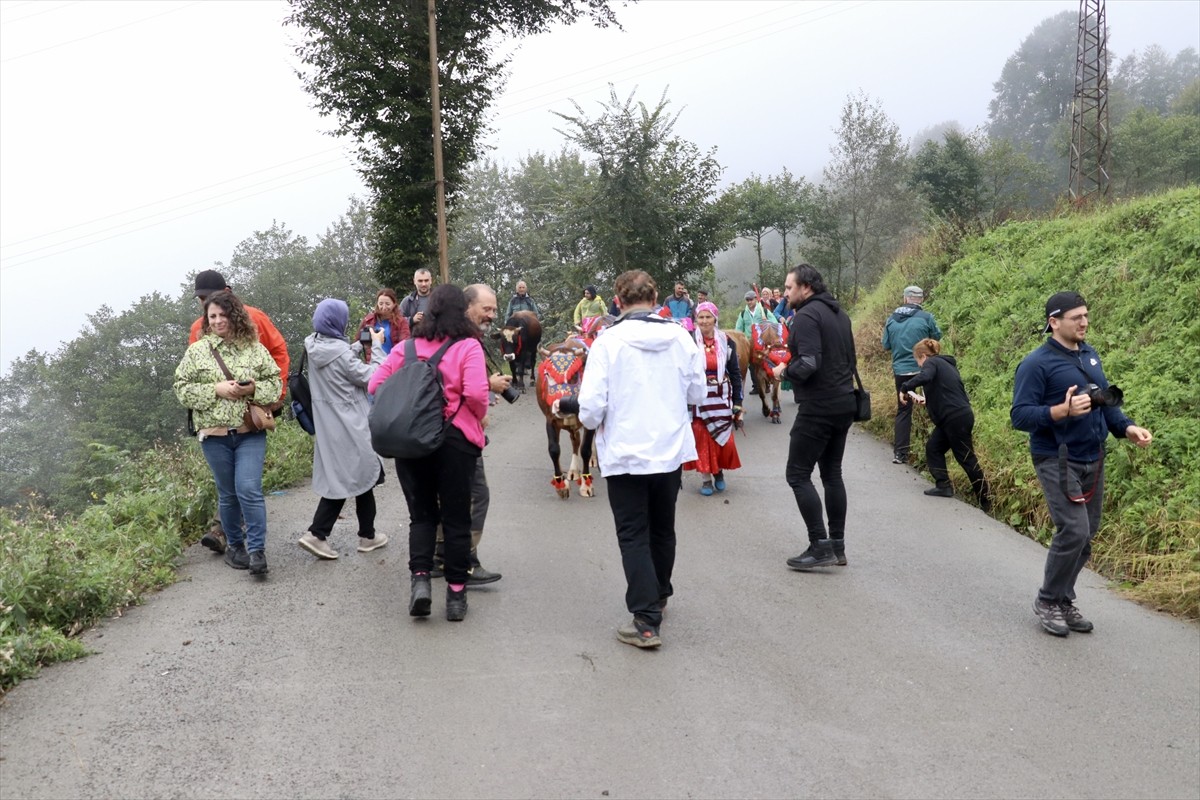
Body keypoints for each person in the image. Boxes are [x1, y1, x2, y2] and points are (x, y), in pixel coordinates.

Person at [554, 270, 707, 649]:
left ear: (617, 302)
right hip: (669, 452)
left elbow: (590, 412)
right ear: (656, 299)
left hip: (625, 454)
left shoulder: (607, 342)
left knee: (633, 534)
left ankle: (645, 621)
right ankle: (660, 593)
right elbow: (698, 393)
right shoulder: (681, 337)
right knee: (663, 527)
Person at [1011, 291, 1152, 637]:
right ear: (1054, 322)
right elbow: (1020, 415)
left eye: (1086, 316)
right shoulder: (1036, 364)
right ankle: (1047, 600)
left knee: (1086, 536)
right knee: (1073, 530)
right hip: (1057, 457)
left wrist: (1127, 427)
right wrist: (1061, 411)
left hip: (1094, 456)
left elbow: (1104, 401)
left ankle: (1062, 599)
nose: (1084, 322)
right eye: (1076, 317)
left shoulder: (1089, 355)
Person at [368, 284, 489, 622]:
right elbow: (478, 394)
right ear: (461, 312)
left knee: (421, 517)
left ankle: (420, 583)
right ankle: (455, 595)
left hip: (412, 444)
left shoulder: (406, 348)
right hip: (456, 442)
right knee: (456, 518)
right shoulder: (468, 347)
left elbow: (374, 386)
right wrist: (471, 418)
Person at [175, 290, 282, 576]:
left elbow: (275, 382)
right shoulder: (196, 352)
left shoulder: (254, 348)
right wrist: (215, 389)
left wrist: (252, 389)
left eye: (223, 315)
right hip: (214, 436)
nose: (218, 321)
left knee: (248, 489)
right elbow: (182, 390)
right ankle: (235, 547)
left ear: (234, 315)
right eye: (212, 316)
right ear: (206, 320)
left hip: (249, 432)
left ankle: (257, 550)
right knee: (228, 494)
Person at [773, 264, 857, 571]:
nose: (785, 294)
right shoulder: (840, 314)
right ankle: (837, 546)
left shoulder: (807, 316)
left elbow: (807, 363)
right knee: (832, 473)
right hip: (844, 401)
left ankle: (819, 544)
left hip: (819, 406)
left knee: (797, 474)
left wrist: (785, 371)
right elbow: (850, 359)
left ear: (805, 287)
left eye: (788, 288)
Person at [429, 283, 512, 586]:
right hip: (459, 431)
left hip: (430, 431)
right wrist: (484, 402)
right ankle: (464, 561)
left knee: (442, 495)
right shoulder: (467, 341)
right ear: (467, 308)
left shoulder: (434, 335)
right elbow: (471, 391)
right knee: (476, 495)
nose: (491, 314)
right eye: (486, 309)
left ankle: (440, 556)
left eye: (493, 309)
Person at [297, 299, 389, 560]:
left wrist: (358, 346)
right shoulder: (343, 355)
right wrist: (378, 349)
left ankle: (367, 535)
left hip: (329, 425)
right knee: (356, 475)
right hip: (351, 423)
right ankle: (317, 533)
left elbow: (337, 356)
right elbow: (374, 378)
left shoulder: (313, 344)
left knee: (358, 477)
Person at [899, 338, 992, 512]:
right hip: (957, 416)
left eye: (918, 361)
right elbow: (946, 391)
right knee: (933, 447)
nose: (919, 365)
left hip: (954, 418)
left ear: (923, 356)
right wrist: (927, 399)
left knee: (966, 458)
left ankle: (986, 501)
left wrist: (905, 387)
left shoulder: (931, 363)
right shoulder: (946, 365)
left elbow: (925, 376)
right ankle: (944, 486)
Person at [683, 301, 743, 496]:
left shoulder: (727, 341)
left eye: (708, 317)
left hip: (721, 396)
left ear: (715, 319)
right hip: (698, 398)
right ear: (695, 320)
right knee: (702, 437)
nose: (704, 321)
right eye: (701, 317)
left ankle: (719, 472)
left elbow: (735, 373)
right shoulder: (689, 341)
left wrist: (738, 402)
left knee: (722, 437)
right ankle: (706, 478)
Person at [882, 285, 941, 465]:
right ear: (920, 300)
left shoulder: (891, 319)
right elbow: (937, 336)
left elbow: (886, 345)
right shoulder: (927, 317)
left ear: (906, 299)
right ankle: (934, 448)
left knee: (904, 410)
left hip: (901, 371)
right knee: (934, 405)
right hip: (925, 368)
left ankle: (900, 453)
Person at [357, 288, 411, 363]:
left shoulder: (401, 322)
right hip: (372, 365)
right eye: (381, 304)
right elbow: (357, 343)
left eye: (387, 304)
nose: (384, 307)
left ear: (394, 304)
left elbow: (405, 345)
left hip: (392, 365)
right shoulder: (368, 320)